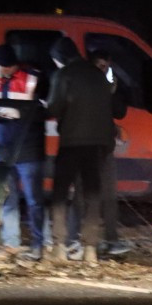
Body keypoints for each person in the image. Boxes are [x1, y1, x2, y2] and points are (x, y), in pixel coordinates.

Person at [0, 44, 47, 260]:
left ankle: (39, 244)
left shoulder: (34, 78)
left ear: (6, 65)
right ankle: (11, 244)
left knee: (34, 200)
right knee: (7, 199)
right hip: (3, 150)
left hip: (29, 149)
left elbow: (48, 110)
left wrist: (22, 114)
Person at [45, 36, 112, 263]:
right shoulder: (98, 74)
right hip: (99, 144)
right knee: (93, 194)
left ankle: (59, 247)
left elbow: (54, 106)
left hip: (72, 142)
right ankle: (91, 249)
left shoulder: (64, 74)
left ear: (59, 58)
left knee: (60, 195)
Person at [88, 48, 132, 257]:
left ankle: (111, 240)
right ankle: (86, 241)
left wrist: (113, 93)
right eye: (99, 66)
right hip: (87, 148)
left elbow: (119, 112)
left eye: (105, 66)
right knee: (88, 197)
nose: (102, 70)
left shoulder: (110, 87)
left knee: (109, 197)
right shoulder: (84, 86)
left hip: (105, 149)